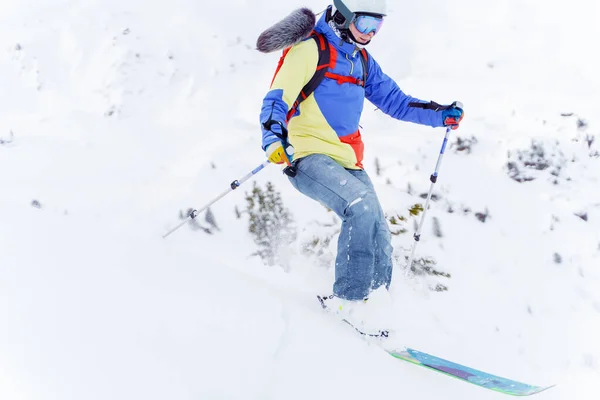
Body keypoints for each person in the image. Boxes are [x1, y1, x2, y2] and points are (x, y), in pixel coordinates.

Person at [258, 0, 464, 334]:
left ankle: (376, 308)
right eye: (365, 24)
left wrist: (440, 115)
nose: (370, 34)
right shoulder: (310, 49)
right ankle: (349, 302)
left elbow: (396, 102)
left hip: (347, 160)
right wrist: (272, 138)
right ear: (342, 16)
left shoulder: (361, 61)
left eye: (377, 26)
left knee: (378, 229)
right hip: (307, 154)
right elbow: (276, 99)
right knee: (361, 206)